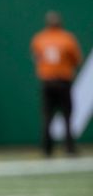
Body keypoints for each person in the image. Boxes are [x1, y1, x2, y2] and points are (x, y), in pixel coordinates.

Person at [30, 10, 82, 156]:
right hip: (63, 81)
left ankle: (47, 150)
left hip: (47, 81)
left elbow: (37, 57)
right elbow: (76, 59)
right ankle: (69, 149)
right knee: (67, 116)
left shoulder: (39, 38)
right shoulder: (67, 38)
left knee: (47, 116)